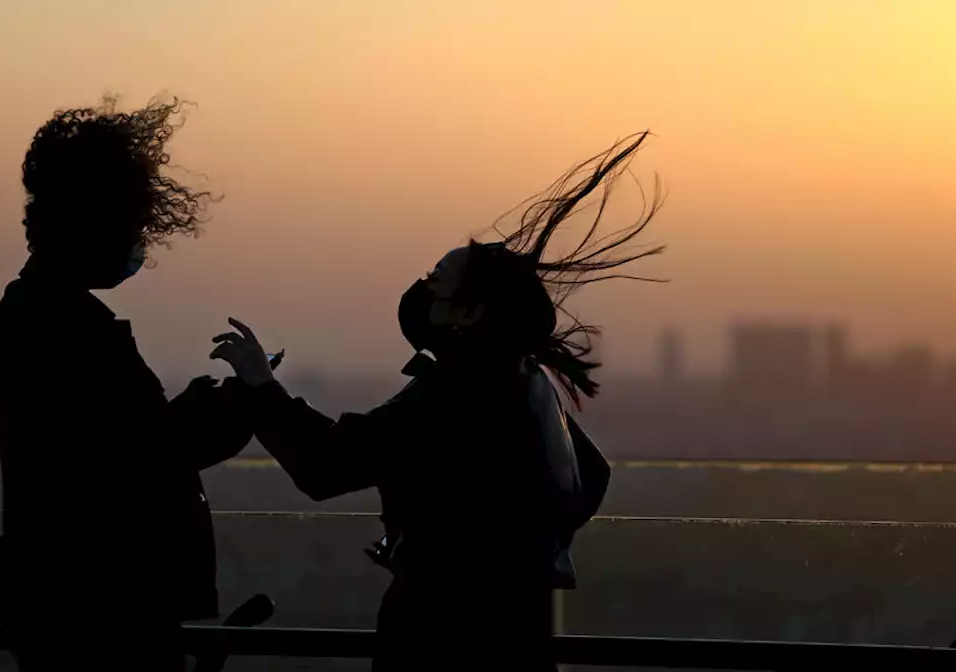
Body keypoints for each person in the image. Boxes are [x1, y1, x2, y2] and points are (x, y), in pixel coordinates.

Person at [210, 132, 664, 671]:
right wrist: (526, 552)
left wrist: (262, 386)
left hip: (440, 635)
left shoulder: (451, 396)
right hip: (517, 633)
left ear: (468, 315)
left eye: (436, 281)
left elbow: (325, 465)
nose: (420, 289)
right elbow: (592, 473)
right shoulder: (524, 380)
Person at [0, 97, 252, 671]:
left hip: (77, 593)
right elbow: (124, 459)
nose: (137, 240)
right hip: (92, 600)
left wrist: (192, 413)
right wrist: (237, 407)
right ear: (86, 223)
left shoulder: (45, 315)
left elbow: (113, 441)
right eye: (128, 223)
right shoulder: (55, 324)